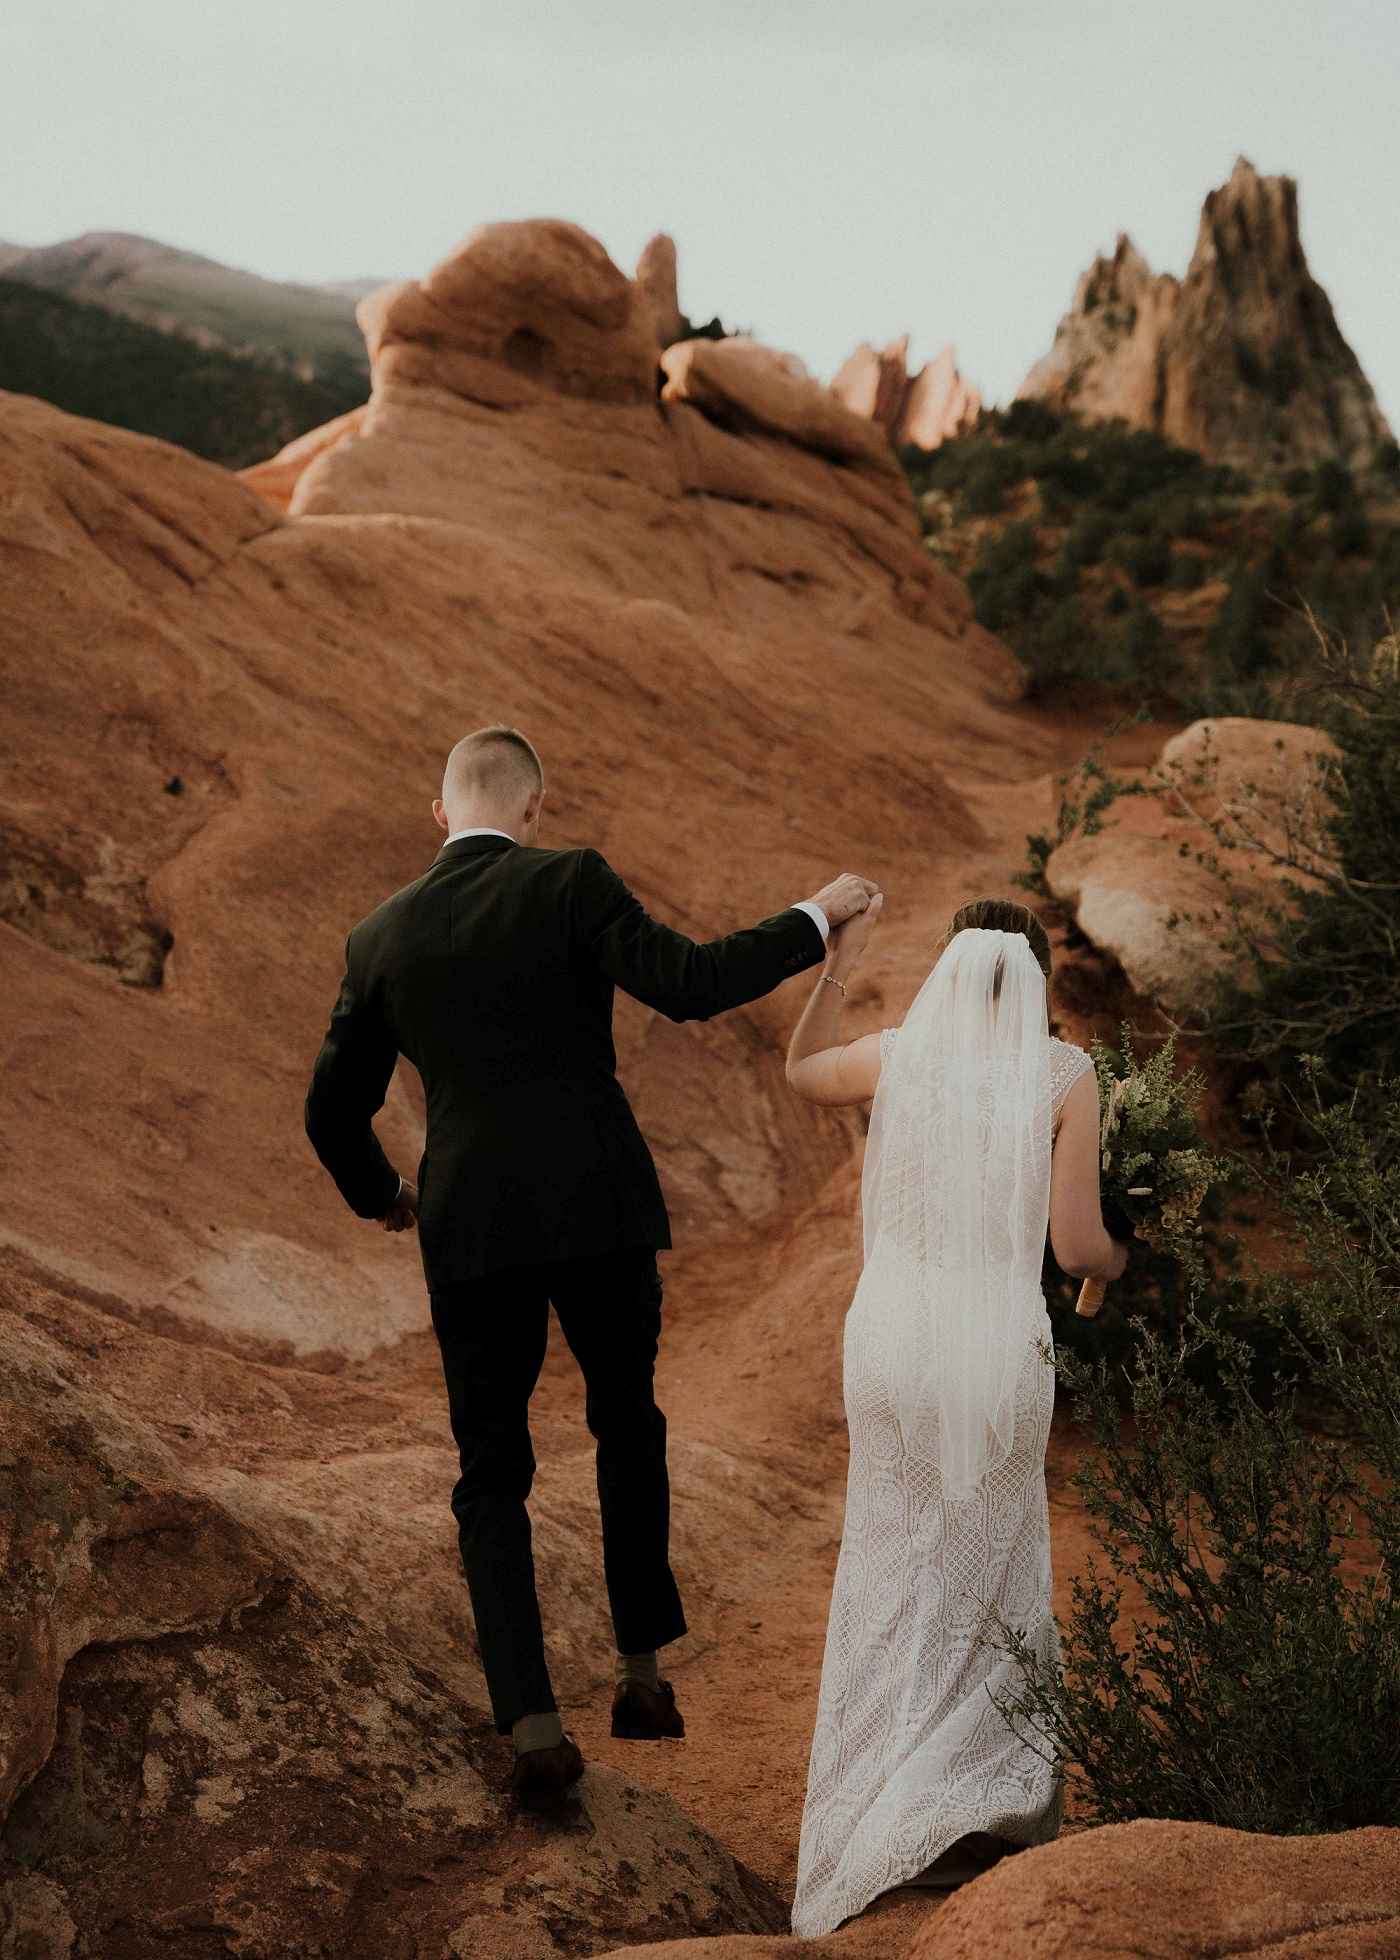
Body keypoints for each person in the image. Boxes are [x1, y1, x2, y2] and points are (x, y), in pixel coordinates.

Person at [304, 724, 879, 1813]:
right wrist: (814, 917)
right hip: (598, 1202)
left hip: (469, 1221)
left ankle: (528, 1720)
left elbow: (330, 1109)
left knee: (491, 1467)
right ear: (533, 807)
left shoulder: (377, 934)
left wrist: (385, 1197)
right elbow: (692, 983)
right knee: (626, 1419)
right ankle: (641, 1672)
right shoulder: (569, 880)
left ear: (439, 815)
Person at [785, 895, 1127, 1935]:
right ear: (1032, 979)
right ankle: (967, 1810)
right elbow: (1074, 1246)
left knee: (888, 1558)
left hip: (886, 1340)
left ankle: (870, 1805)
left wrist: (834, 967)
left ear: (951, 969)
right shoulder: (1064, 1074)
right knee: (992, 1556)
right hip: (989, 1344)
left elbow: (801, 1069)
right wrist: (1120, 1259)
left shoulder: (898, 1054)